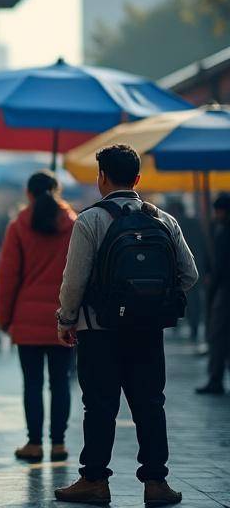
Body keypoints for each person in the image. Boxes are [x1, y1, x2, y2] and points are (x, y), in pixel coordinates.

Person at [54, 144, 198, 507]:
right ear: (137, 178)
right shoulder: (164, 220)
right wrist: (153, 303)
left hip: (98, 330)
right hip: (148, 331)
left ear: (101, 177)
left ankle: (94, 481)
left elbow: (74, 280)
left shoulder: (90, 220)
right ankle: (156, 483)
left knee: (99, 406)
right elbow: (189, 274)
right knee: (150, 404)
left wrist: (66, 319)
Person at [0, 172, 76, 463]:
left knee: (32, 383)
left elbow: (7, 277)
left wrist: (4, 318)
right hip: (63, 318)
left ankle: (34, 443)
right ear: (58, 191)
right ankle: (59, 444)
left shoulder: (18, 226)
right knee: (60, 383)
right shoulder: (73, 225)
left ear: (28, 194)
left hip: (26, 318)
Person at [196, 193, 230, 395]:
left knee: (217, 335)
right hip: (222, 289)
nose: (217, 215)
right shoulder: (219, 230)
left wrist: (212, 281)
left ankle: (215, 379)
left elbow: (221, 265)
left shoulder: (223, 232)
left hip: (224, 291)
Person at [166, 197, 209, 343]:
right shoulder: (195, 223)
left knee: (185, 298)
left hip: (181, 269)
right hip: (197, 267)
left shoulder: (174, 224)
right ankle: (193, 328)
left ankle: (181, 325)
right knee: (194, 301)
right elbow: (204, 245)